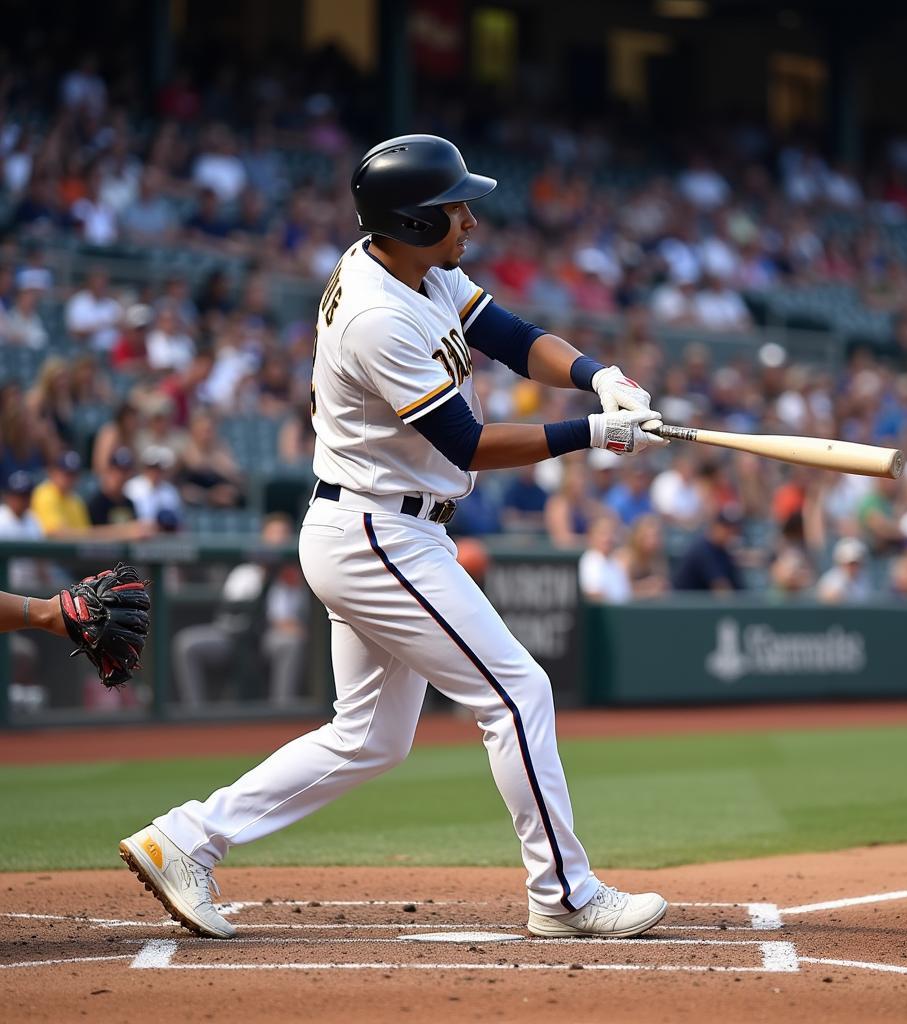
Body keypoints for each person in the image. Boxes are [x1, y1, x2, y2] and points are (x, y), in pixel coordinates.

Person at [120, 134, 669, 942]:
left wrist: (598, 375)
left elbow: (510, 336)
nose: (469, 220)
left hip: (380, 526)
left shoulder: (412, 264)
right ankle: (565, 896)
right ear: (410, 223)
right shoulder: (379, 315)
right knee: (518, 694)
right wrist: (595, 435)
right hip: (378, 532)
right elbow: (468, 442)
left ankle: (184, 840)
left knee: (369, 739)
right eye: (453, 208)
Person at [173, 515, 307, 708]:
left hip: (267, 641)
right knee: (186, 643)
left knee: (291, 643)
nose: (279, 540)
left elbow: (294, 622)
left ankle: (282, 711)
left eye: (284, 534)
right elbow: (231, 618)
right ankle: (194, 713)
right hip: (231, 639)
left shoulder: (293, 579)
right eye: (274, 534)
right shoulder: (245, 572)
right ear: (263, 538)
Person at [672, 505, 745, 592]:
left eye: (734, 530)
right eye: (726, 528)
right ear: (715, 526)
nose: (730, 534)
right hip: (683, 604)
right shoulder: (702, 549)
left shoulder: (724, 551)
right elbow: (721, 590)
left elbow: (738, 587)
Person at [578, 514, 631, 603]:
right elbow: (593, 593)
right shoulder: (591, 560)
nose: (608, 538)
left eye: (611, 533)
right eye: (603, 533)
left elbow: (625, 595)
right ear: (591, 536)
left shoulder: (616, 562)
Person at [816, 537, 871, 604]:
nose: (853, 567)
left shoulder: (864, 578)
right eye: (849, 563)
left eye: (856, 563)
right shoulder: (830, 579)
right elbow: (826, 598)